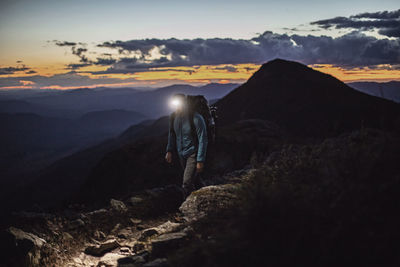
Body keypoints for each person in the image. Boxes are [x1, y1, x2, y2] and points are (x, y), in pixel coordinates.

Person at [165, 93, 208, 199]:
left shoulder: (196, 117)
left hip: (193, 154)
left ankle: (188, 209)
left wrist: (200, 160)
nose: (176, 107)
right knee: (195, 180)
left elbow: (203, 139)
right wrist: (169, 150)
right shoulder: (173, 117)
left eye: (178, 104)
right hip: (181, 154)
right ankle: (208, 197)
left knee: (186, 183)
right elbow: (171, 134)